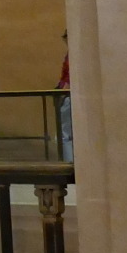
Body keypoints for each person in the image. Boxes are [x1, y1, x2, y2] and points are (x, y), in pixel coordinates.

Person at [56, 34, 72, 162]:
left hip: (68, 95)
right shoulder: (71, 54)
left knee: (64, 135)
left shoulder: (72, 55)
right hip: (69, 95)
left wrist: (62, 92)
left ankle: (69, 165)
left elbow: (68, 78)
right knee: (67, 133)